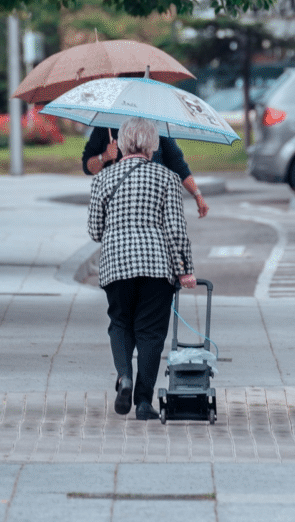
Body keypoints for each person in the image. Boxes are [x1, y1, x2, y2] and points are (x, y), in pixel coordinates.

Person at [87, 117, 196, 421]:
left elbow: (95, 230)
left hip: (116, 265)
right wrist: (185, 269)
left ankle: (124, 377)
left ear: (120, 144)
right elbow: (176, 230)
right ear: (152, 145)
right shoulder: (166, 178)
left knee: (120, 323)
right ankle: (144, 402)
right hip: (156, 265)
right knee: (150, 332)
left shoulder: (103, 180)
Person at [82, 126, 210, 218]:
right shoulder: (107, 127)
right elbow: (88, 167)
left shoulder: (156, 126)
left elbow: (177, 164)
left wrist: (197, 195)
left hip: (153, 202)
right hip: (119, 204)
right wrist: (104, 156)